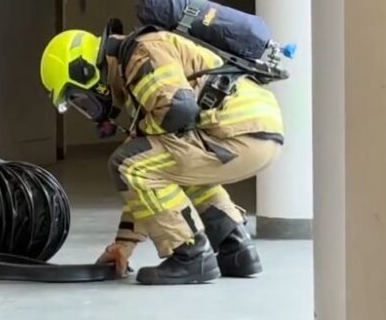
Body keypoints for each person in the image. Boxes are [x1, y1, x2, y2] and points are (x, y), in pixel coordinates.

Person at [39, 25, 284, 285]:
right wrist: (124, 245)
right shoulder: (133, 62)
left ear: (85, 72)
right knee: (161, 165)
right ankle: (236, 248)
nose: (88, 108)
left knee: (128, 163)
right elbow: (153, 171)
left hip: (236, 130)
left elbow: (178, 110)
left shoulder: (141, 53)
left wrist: (141, 136)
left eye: (79, 99)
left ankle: (191, 253)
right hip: (257, 134)